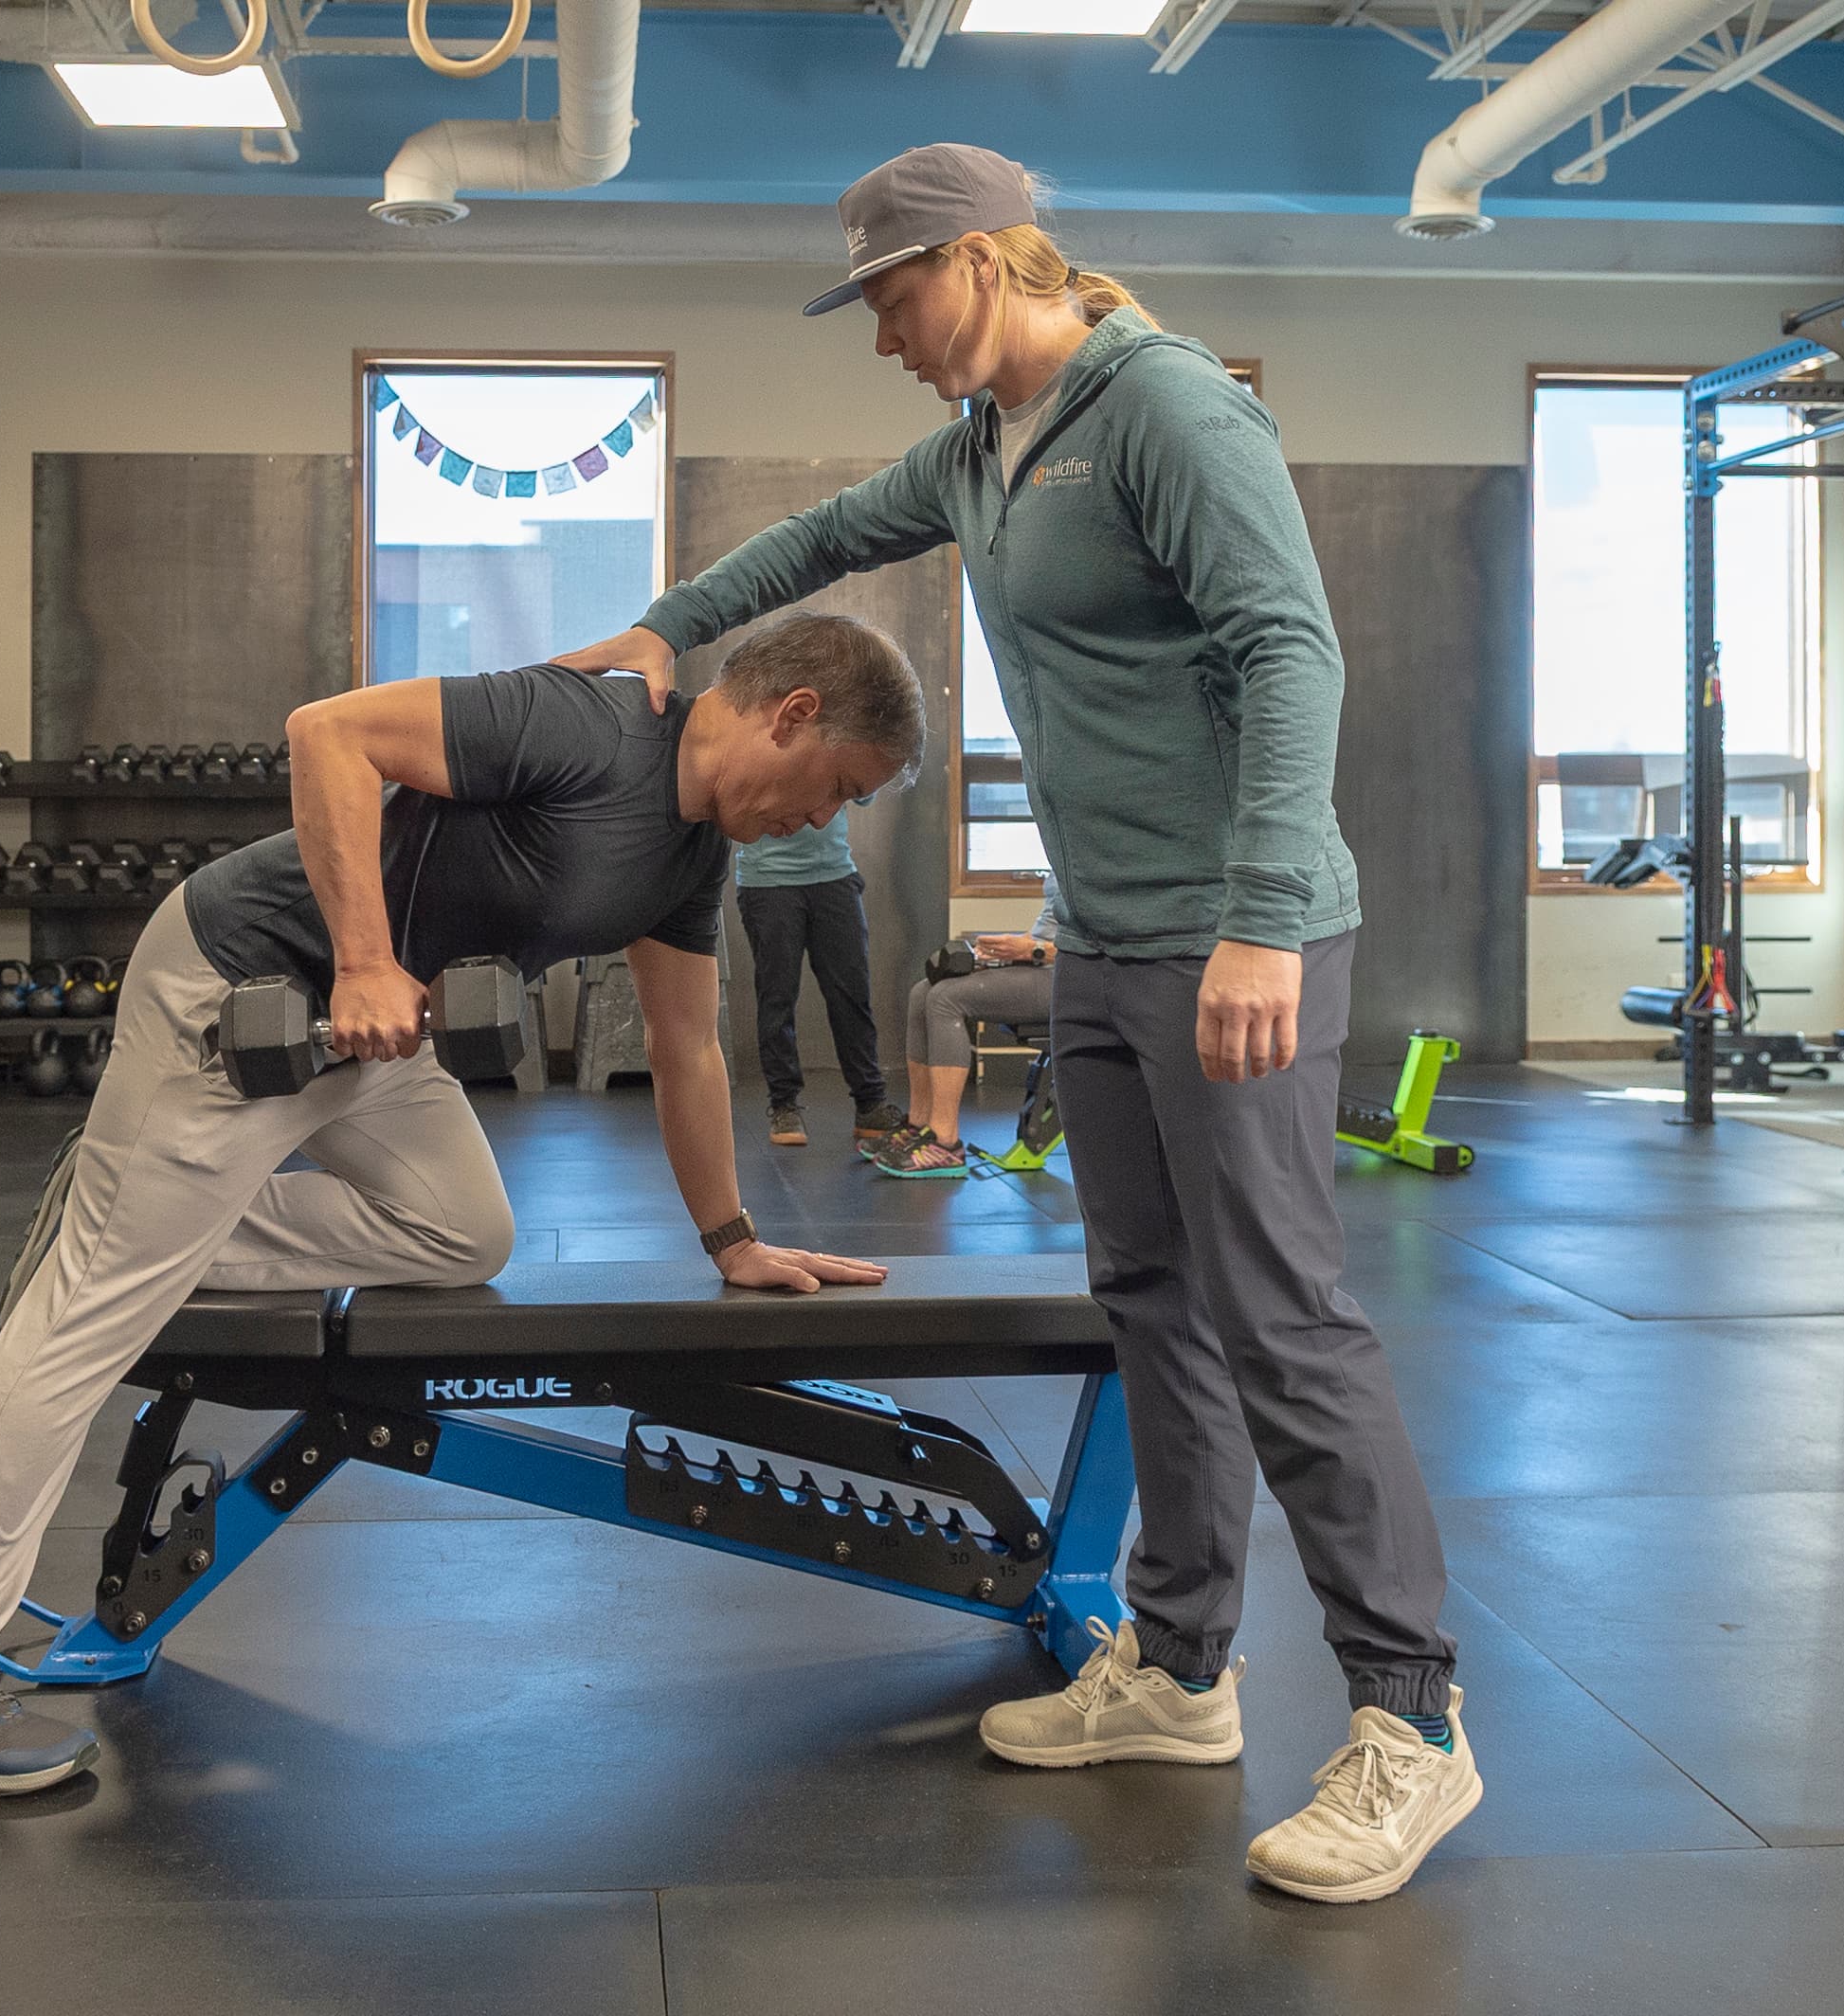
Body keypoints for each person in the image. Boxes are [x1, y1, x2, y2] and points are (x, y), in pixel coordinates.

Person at [555, 143, 1474, 1905]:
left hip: (1237, 934)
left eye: (894, 298)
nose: (886, 336)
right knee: (1149, 1298)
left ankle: (1413, 1720)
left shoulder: (1168, 411)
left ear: (979, 261)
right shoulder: (987, 447)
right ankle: (1181, 1664)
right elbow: (826, 536)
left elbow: (1292, 650)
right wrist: (664, 634)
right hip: (1111, 945)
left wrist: (1264, 920)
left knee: (1282, 1314)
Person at [0, 617, 923, 1797]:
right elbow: (329, 734)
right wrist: (360, 955)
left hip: (374, 1042)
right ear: (794, 713)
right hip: (242, 986)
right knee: (84, 1326)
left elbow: (683, 1044)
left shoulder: (689, 856)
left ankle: (123, 1213)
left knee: (464, 1233)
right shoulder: (587, 725)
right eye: (837, 791)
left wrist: (733, 1239)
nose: (822, 822)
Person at [735, 803, 907, 1149]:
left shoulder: (837, 744)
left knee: (852, 996)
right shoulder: (754, 745)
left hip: (835, 874)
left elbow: (865, 793)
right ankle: (783, 1105)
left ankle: (870, 1105)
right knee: (777, 997)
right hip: (769, 879)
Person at [872, 872, 1061, 1178]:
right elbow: (1048, 929)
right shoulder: (1066, 854)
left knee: (946, 998)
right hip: (1043, 966)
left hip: (1069, 978)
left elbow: (1097, 944)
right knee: (923, 991)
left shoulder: (1106, 859)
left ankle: (946, 1143)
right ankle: (921, 1125)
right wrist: (1007, 951)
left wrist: (1033, 951)